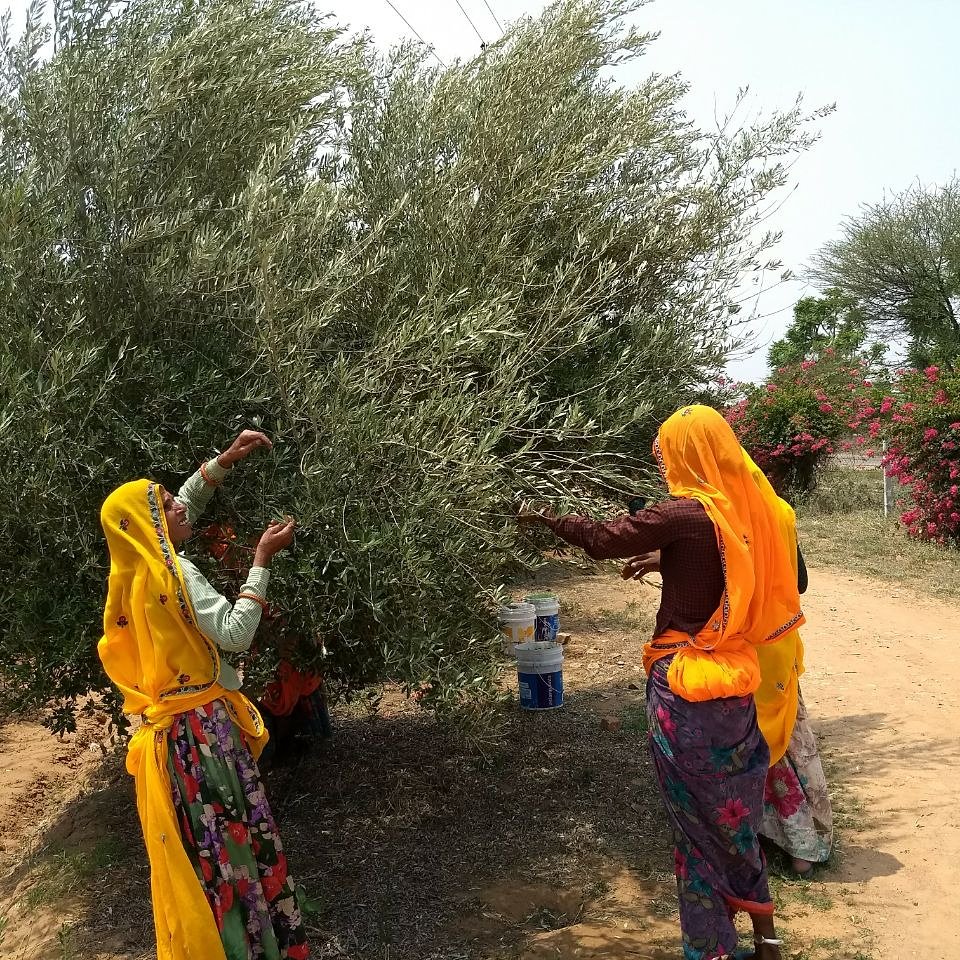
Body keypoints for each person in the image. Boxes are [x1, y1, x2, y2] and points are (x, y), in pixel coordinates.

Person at [520, 405, 804, 960]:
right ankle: (766, 937)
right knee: (735, 819)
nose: (663, 464)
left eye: (667, 453)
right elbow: (718, 564)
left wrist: (545, 515)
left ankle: (713, 950)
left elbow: (602, 538)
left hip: (685, 694)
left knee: (696, 829)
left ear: (686, 456)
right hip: (735, 687)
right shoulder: (751, 515)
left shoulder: (685, 513)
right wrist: (664, 561)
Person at [98, 430, 309, 960]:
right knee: (235, 845)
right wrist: (262, 559)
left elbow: (176, 512)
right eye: (166, 504)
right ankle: (255, 948)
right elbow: (237, 634)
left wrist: (222, 462)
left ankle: (229, 943)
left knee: (209, 856)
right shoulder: (180, 575)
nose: (178, 504)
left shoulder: (136, 574)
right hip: (206, 738)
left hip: (176, 742)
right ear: (153, 524)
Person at [744, 455, 833, 877]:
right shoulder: (779, 509)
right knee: (789, 739)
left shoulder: (724, 517)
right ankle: (804, 844)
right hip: (780, 645)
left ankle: (765, 837)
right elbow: (800, 581)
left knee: (756, 742)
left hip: (743, 650)